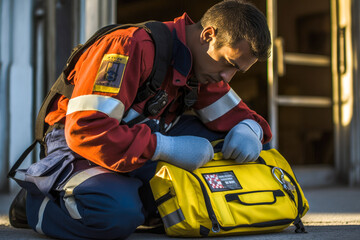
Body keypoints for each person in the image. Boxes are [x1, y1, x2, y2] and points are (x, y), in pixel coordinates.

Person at [15, 0, 272, 239]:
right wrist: (166, 148)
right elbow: (87, 130)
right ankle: (36, 201)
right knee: (116, 214)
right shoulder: (127, 47)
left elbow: (243, 118)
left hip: (137, 142)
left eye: (236, 70)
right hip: (79, 148)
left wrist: (250, 130)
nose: (227, 78)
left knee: (236, 143)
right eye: (228, 63)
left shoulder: (203, 68)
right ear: (208, 36)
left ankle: (144, 200)